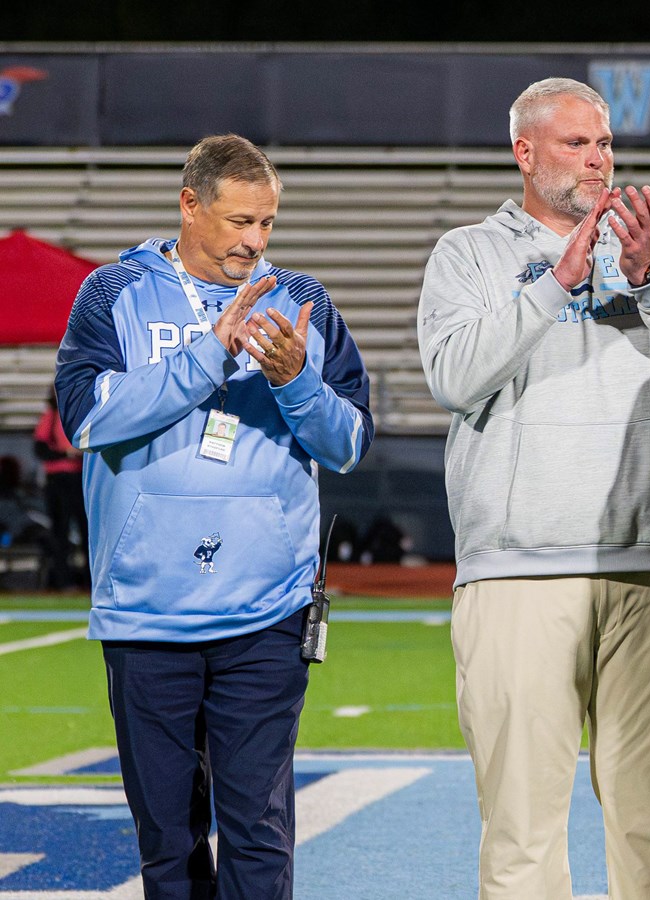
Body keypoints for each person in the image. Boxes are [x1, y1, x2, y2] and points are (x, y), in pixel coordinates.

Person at [417, 77, 650, 900]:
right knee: (521, 828)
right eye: (576, 144)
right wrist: (556, 281)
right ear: (524, 152)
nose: (598, 159)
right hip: (516, 571)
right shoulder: (469, 253)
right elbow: (454, 377)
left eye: (604, 143)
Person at [52, 133, 373, 898]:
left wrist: (297, 383)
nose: (254, 243)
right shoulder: (111, 292)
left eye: (266, 224)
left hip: (266, 610)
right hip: (144, 609)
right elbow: (86, 419)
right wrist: (206, 355)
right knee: (167, 842)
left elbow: (349, 442)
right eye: (238, 222)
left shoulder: (304, 300)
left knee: (259, 835)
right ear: (189, 204)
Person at [32, 388, 87, 588]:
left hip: (79, 478)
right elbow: (41, 449)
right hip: (59, 480)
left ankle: (89, 582)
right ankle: (63, 581)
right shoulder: (52, 415)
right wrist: (66, 454)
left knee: (87, 531)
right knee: (60, 532)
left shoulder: (81, 413)